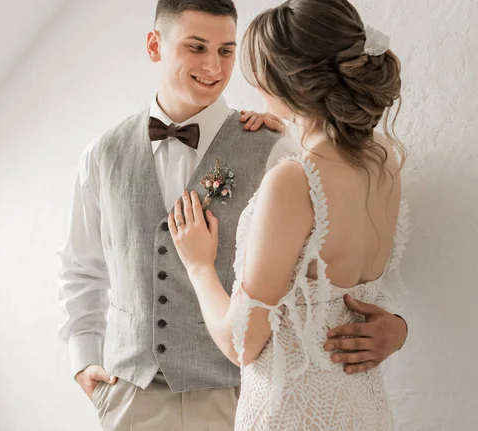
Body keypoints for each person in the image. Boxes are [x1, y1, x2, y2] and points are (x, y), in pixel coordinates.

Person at [58, 1, 407, 430]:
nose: (214, 66)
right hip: (132, 394)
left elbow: (336, 259)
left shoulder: (278, 152)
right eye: (196, 47)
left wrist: (397, 325)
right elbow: (82, 266)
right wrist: (83, 358)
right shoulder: (101, 154)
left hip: (239, 394)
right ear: (155, 45)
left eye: (226, 50)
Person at [169, 0, 409, 429]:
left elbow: (242, 345)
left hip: (292, 413)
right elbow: (354, 293)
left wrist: (198, 265)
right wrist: (400, 328)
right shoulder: (384, 160)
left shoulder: (294, 182)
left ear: (285, 84)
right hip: (363, 409)